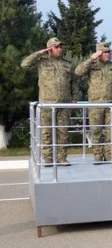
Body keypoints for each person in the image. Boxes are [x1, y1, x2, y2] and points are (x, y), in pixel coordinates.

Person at [20, 37, 78, 166]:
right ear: (50, 48)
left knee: (63, 132)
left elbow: (73, 82)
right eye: (56, 47)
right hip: (47, 103)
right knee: (46, 132)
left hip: (64, 104)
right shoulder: (41, 62)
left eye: (60, 47)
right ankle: (48, 159)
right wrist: (40, 53)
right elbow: (24, 64)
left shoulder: (67, 63)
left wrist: (74, 98)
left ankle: (62, 158)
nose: (60, 49)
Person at [75, 42, 112, 164]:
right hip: (95, 105)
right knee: (96, 131)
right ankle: (98, 157)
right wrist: (92, 58)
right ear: (98, 53)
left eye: (109, 52)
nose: (108, 54)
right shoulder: (91, 65)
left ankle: (110, 156)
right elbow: (78, 72)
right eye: (105, 52)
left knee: (111, 132)